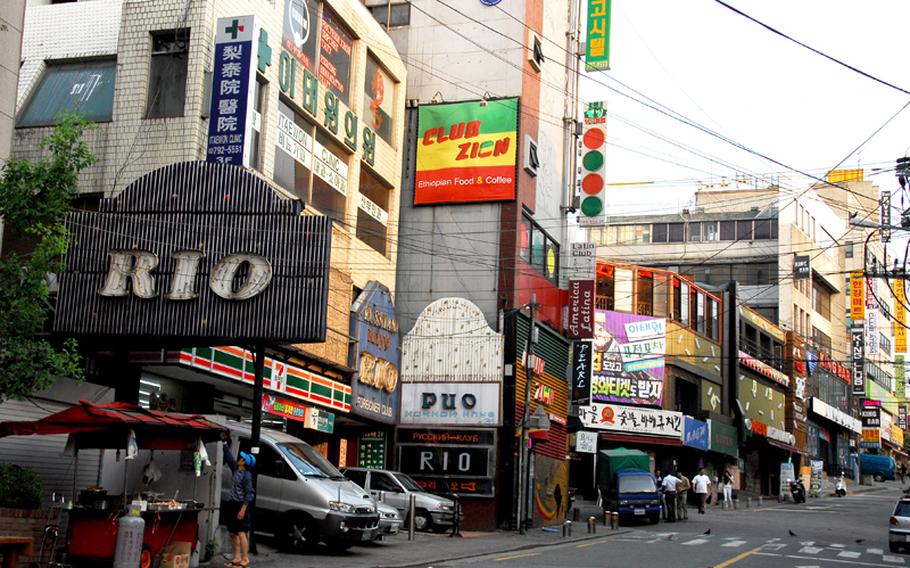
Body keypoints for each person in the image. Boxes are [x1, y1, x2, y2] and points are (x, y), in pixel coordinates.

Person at [223, 441, 256, 568]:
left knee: (242, 532)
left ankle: (245, 558)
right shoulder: (236, 469)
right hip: (232, 504)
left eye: (241, 458)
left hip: (241, 506)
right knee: (233, 532)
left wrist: (243, 510)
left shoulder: (247, 476)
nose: (238, 459)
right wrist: (225, 444)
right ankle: (236, 557)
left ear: (244, 462)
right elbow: (230, 458)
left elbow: (249, 494)